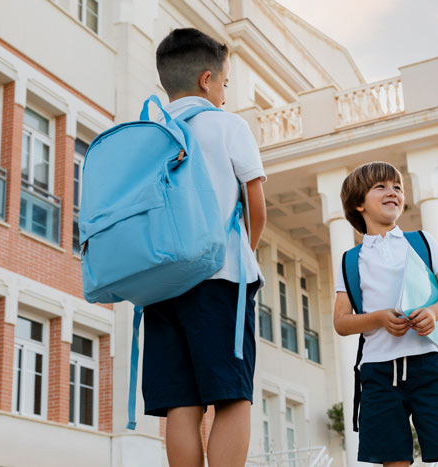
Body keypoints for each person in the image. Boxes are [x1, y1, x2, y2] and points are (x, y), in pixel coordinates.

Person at [142, 28, 267, 467]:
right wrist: (243, 253)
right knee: (232, 396)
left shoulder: (147, 131)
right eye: (225, 85)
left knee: (182, 402)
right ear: (207, 79)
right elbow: (255, 205)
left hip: (160, 284)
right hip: (219, 279)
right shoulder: (227, 125)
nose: (225, 95)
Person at [333, 161, 438, 466]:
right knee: (393, 462)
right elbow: (342, 322)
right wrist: (379, 318)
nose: (393, 192)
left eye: (397, 187)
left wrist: (434, 313)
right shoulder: (350, 260)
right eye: (380, 187)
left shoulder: (423, 242)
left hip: (431, 365)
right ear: (359, 203)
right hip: (378, 373)